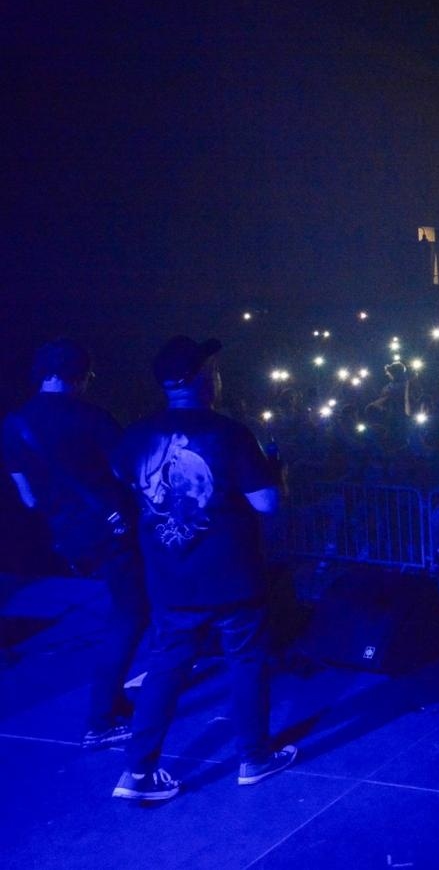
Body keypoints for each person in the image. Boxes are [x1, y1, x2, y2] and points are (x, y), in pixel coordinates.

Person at [109, 336, 296, 801]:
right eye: (213, 370)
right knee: (247, 663)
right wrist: (274, 472)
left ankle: (137, 772)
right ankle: (254, 758)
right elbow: (267, 503)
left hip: (170, 578)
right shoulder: (229, 433)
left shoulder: (136, 435)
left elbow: (123, 485)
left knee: (166, 668)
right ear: (202, 379)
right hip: (232, 577)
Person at [2, 338, 148, 749]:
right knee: (131, 615)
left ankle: (114, 698)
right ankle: (101, 719)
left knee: (123, 612)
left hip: (68, 537)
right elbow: (128, 474)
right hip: (113, 529)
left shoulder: (14, 425)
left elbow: (28, 498)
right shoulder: (92, 417)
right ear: (80, 376)